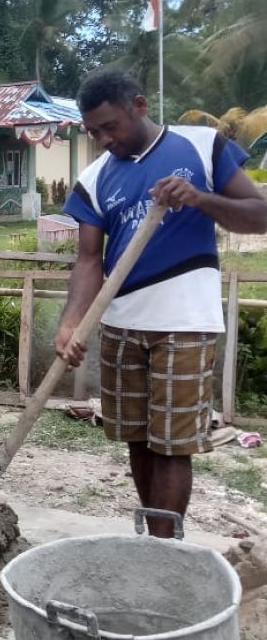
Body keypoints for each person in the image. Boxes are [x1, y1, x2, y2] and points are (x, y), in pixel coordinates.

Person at [55, 68, 267, 537]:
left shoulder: (202, 146)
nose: (104, 139)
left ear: (139, 105)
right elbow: (89, 261)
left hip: (185, 320)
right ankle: (155, 537)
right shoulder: (93, 179)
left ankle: (164, 547)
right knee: (135, 437)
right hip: (121, 322)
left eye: (110, 126)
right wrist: (72, 323)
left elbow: (259, 217)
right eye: (94, 132)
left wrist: (199, 198)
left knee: (172, 444)